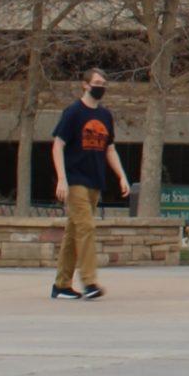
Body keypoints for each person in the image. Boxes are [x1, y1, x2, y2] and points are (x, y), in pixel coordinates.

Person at [49, 67, 130, 302]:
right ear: (85, 85)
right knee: (86, 227)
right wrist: (62, 179)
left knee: (74, 234)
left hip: (95, 181)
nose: (100, 86)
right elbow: (58, 145)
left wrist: (122, 176)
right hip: (75, 181)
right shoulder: (73, 112)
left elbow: (110, 148)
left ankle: (61, 285)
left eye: (104, 83)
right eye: (96, 82)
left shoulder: (105, 116)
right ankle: (89, 281)